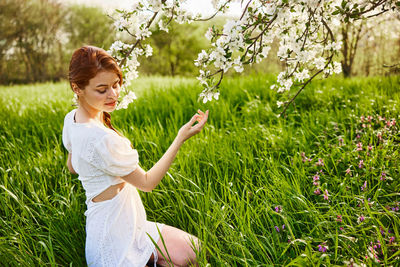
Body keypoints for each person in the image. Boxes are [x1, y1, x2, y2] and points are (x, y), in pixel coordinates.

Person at [62, 45, 209, 267]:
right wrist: (180, 138)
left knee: (195, 251)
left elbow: (73, 165)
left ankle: (153, 259)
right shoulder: (102, 139)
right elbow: (147, 183)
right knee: (193, 258)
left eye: (116, 84)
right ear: (77, 88)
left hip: (127, 224)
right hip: (113, 243)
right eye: (102, 89)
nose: (113, 94)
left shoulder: (72, 119)